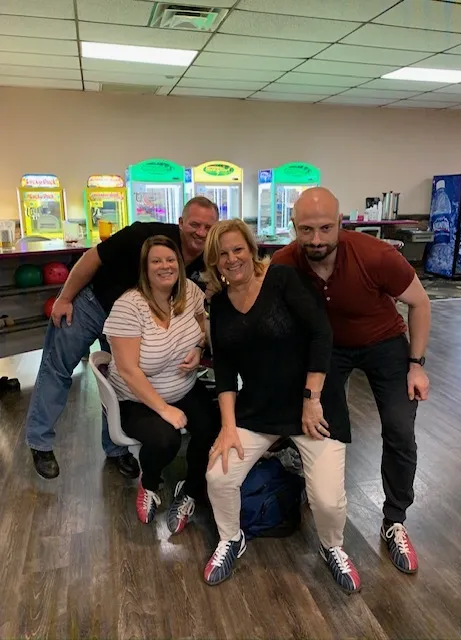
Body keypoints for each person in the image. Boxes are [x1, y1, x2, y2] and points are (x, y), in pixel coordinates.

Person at [271, 187, 431, 575]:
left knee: (399, 428)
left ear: (340, 223)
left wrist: (416, 364)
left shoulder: (376, 256)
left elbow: (420, 302)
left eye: (326, 228)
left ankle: (395, 520)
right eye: (306, 230)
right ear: (293, 226)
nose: (316, 239)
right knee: (319, 423)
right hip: (328, 350)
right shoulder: (284, 262)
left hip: (384, 343)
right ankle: (317, 489)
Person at [202, 219, 361, 593]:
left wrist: (312, 399)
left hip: (314, 407)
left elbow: (322, 333)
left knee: (327, 501)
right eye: (223, 254)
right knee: (218, 476)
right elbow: (224, 371)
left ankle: (332, 547)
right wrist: (228, 427)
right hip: (260, 408)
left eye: (238, 249)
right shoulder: (219, 305)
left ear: (251, 249)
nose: (232, 259)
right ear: (214, 262)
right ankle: (231, 538)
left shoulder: (282, 279)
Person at [25, 197, 219, 480]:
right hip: (93, 304)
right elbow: (92, 257)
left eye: (208, 227)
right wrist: (64, 298)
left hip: (133, 324)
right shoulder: (144, 236)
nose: (200, 232)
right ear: (180, 223)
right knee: (57, 368)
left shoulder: (205, 256)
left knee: (115, 382)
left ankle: (116, 449)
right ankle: (40, 441)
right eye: (195, 224)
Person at [103, 235, 219, 530]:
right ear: (145, 268)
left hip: (184, 385)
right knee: (166, 439)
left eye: (170, 260)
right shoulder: (128, 307)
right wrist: (165, 409)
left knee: (211, 428)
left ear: (179, 264)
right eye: (156, 261)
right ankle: (150, 483)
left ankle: (190, 489)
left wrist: (199, 349)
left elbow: (201, 328)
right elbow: (128, 370)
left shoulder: (189, 291)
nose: (165, 266)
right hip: (137, 397)